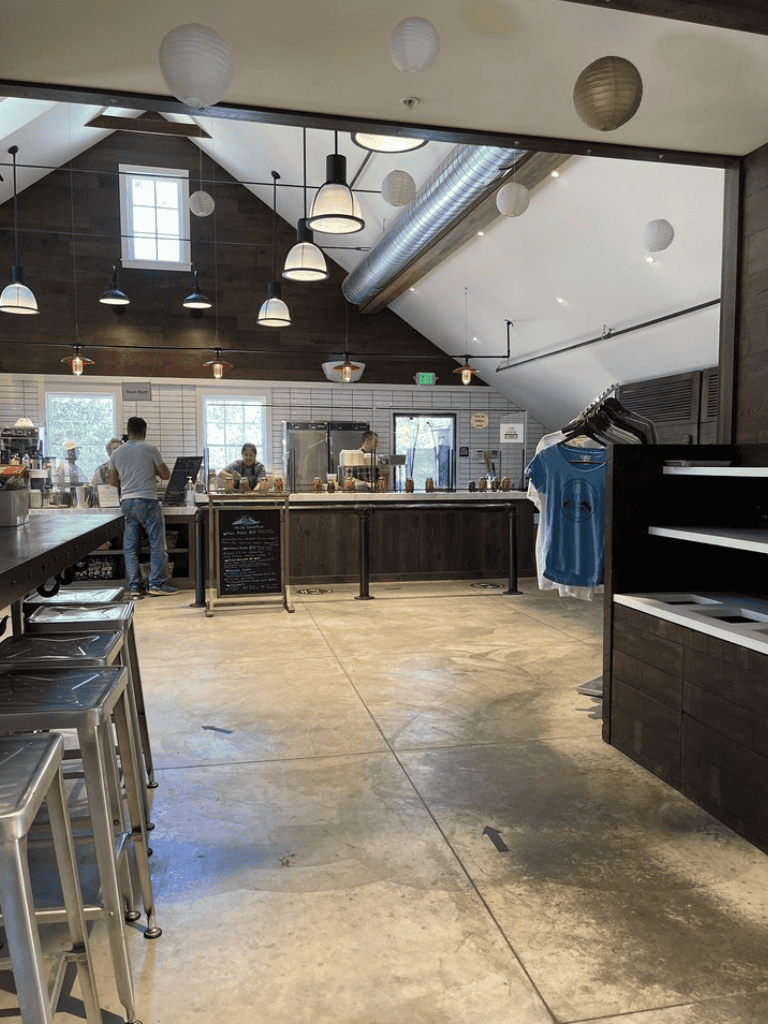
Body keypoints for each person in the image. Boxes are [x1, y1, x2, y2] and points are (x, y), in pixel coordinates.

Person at [109, 416, 177, 598]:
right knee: (157, 543)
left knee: (130, 547)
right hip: (147, 500)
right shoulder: (150, 449)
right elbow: (165, 474)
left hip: (127, 502)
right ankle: (156, 584)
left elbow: (113, 481)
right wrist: (150, 470)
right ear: (145, 431)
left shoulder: (116, 453)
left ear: (128, 431)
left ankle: (135, 588)